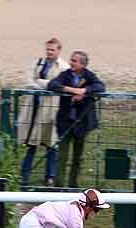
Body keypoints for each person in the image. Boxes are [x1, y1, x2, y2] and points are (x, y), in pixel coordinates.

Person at [48, 50, 105, 188]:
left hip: (82, 123)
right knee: (62, 156)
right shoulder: (65, 74)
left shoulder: (89, 75)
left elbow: (100, 86)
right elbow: (52, 85)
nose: (71, 63)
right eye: (71, 60)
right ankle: (59, 186)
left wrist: (84, 92)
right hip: (65, 122)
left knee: (77, 157)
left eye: (74, 61)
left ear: (83, 64)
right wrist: (71, 90)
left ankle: (73, 185)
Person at [18, 37, 70, 188]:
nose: (49, 52)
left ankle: (50, 177)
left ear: (59, 50)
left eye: (52, 50)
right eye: (48, 49)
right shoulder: (38, 63)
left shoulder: (63, 67)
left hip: (52, 109)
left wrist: (41, 83)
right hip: (34, 107)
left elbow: (60, 85)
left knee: (51, 144)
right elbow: (29, 81)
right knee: (31, 144)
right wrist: (45, 85)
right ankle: (25, 176)